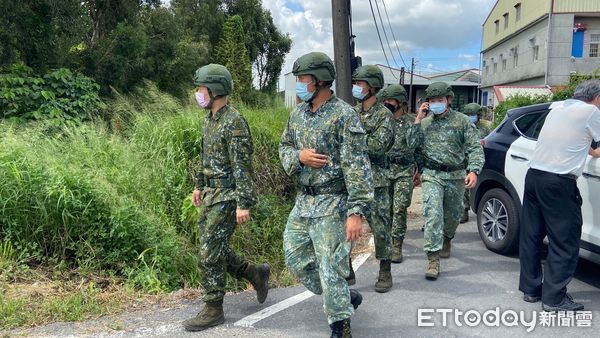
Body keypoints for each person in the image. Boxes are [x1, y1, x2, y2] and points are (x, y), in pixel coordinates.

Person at [279, 52, 373, 337]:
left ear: (320, 81)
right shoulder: (298, 114)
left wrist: (356, 213)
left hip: (333, 202)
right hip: (304, 201)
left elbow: (358, 167)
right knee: (294, 255)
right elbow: (284, 147)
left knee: (331, 267)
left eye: (302, 79)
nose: (299, 83)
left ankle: (340, 327)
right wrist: (299, 157)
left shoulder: (344, 115)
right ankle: (344, 297)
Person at [183, 64, 270, 332]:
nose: (198, 93)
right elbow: (205, 157)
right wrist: (199, 185)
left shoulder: (234, 122)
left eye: (201, 88)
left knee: (209, 253)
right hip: (211, 194)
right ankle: (254, 273)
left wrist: (243, 203)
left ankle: (213, 309)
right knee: (213, 247)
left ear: (215, 89)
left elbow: (242, 167)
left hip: (228, 195)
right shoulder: (209, 120)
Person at [519, 80, 600, 312]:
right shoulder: (591, 111)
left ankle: (531, 290)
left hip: (534, 177)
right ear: (597, 97)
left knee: (532, 235)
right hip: (558, 183)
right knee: (565, 240)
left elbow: (581, 143)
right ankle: (554, 299)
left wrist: (594, 152)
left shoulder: (558, 108)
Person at [409, 82, 484, 279]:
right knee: (433, 214)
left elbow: (474, 147)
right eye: (432, 101)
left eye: (439, 100)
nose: (436, 104)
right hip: (432, 175)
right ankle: (433, 260)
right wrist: (418, 119)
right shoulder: (424, 123)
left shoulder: (461, 121)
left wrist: (473, 170)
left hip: (456, 175)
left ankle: (447, 237)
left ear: (448, 100)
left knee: (453, 215)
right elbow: (411, 145)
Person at [350, 65, 395, 293]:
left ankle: (385, 270)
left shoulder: (384, 115)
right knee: (345, 225)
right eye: (355, 83)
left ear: (373, 87)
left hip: (376, 181)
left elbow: (378, 146)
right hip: (352, 180)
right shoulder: (352, 112)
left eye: (360, 84)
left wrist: (353, 143)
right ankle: (346, 268)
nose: (356, 88)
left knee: (380, 228)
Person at [378, 84, 418, 263]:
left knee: (400, 208)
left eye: (391, 100)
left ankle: (397, 245)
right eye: (385, 100)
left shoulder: (411, 122)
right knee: (387, 210)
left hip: (404, 171)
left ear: (400, 102)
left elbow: (416, 147)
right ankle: (386, 240)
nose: (387, 103)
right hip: (384, 171)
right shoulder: (381, 120)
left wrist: (419, 171)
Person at [460, 103, 492, 223]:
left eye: (473, 115)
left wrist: (485, 143)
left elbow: (494, 139)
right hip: (464, 160)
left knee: (480, 186)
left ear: (478, 115)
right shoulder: (463, 125)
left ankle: (484, 209)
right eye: (468, 115)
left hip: (480, 161)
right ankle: (464, 211)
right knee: (464, 186)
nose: (470, 117)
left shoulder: (487, 126)